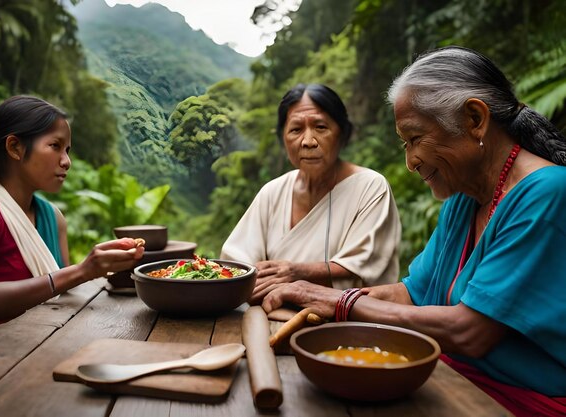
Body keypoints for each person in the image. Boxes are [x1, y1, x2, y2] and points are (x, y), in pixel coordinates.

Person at [259, 47, 566, 416]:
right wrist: (312, 297)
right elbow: (411, 293)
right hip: (452, 380)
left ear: (474, 119)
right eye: (404, 144)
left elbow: (469, 331)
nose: (409, 162)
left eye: (416, 139)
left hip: (516, 401)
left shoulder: (545, 193)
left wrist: (338, 302)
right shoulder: (464, 197)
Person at [0, 95, 144, 350]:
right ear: (15, 147)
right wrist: (82, 271)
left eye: (67, 150)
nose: (66, 161)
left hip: (40, 351)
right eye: (55, 146)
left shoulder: (52, 217)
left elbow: (63, 295)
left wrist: (114, 271)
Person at [221, 83, 401, 304]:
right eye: (296, 130)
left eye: (321, 127)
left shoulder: (370, 188)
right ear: (283, 138)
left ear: (343, 134)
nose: (308, 141)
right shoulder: (273, 192)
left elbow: (367, 266)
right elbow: (237, 263)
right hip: (270, 317)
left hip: (346, 327)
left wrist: (297, 272)